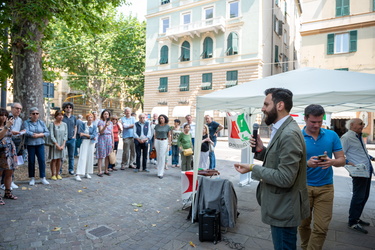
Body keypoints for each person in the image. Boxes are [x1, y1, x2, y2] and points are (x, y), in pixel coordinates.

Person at [234, 88, 309, 250]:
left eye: (266, 104)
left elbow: (285, 178)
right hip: (281, 206)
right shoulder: (282, 128)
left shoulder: (288, 133)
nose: (262, 108)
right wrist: (262, 150)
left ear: (280, 105)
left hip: (284, 208)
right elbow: (278, 161)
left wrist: (253, 168)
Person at [298, 104, 345, 250]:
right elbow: (289, 164)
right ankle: (305, 246)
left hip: (325, 188)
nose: (317, 125)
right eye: (313, 122)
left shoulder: (332, 135)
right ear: (305, 118)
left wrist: (332, 162)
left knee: (321, 228)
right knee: (303, 224)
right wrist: (307, 163)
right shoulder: (297, 137)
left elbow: (342, 160)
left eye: (320, 122)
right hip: (303, 187)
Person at [341, 118, 374, 234]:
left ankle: (357, 217)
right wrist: (347, 162)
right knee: (358, 197)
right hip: (359, 172)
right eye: (360, 124)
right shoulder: (347, 137)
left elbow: (361, 152)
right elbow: (340, 154)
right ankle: (352, 222)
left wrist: (370, 157)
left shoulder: (358, 136)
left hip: (367, 171)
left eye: (363, 124)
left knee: (364, 196)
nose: (363, 126)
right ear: (352, 125)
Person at [23, 107, 50, 185]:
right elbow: (26, 131)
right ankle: (32, 178)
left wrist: (39, 135)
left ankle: (43, 177)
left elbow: (47, 132)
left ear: (39, 114)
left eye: (37, 113)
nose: (35, 115)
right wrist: (32, 134)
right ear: (30, 114)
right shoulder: (26, 122)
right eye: (33, 113)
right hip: (31, 144)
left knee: (42, 160)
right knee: (31, 161)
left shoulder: (41, 123)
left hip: (40, 144)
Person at [1, 102, 24, 190]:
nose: (19, 110)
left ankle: (9, 186)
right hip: (3, 147)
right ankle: (2, 184)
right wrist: (8, 129)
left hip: (13, 146)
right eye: (17, 108)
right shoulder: (7, 120)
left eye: (20, 109)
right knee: (3, 168)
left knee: (11, 167)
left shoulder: (19, 120)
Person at [0, 108, 17, 204]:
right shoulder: (6, 126)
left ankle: (7, 192)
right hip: (1, 153)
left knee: (9, 172)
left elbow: (9, 135)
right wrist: (6, 126)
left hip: (9, 152)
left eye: (5, 115)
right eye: (1, 115)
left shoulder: (8, 126)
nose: (4, 117)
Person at [75, 113, 97, 181]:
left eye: (91, 117)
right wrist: (89, 136)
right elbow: (80, 134)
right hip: (84, 141)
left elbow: (94, 135)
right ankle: (78, 174)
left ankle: (87, 172)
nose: (90, 119)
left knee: (90, 157)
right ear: (87, 118)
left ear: (93, 119)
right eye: (89, 117)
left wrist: (85, 134)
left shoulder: (94, 126)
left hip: (91, 143)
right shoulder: (83, 125)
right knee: (82, 157)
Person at [48, 110, 67, 181]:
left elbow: (66, 134)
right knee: (54, 159)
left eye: (62, 115)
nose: (61, 117)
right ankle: (53, 174)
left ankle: (58, 173)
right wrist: (57, 145)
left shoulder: (64, 124)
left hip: (62, 144)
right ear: (55, 116)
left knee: (59, 159)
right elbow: (51, 135)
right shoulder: (52, 124)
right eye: (59, 115)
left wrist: (63, 145)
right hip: (54, 144)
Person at [96, 109, 114, 177]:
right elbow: (101, 132)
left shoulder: (111, 123)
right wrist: (105, 126)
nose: (106, 115)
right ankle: (99, 171)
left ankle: (106, 170)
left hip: (109, 138)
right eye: (105, 114)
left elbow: (112, 133)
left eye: (107, 114)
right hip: (102, 138)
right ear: (102, 115)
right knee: (101, 155)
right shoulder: (100, 122)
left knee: (107, 155)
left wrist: (112, 142)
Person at [153, 114, 171, 179]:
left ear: (165, 119)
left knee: (162, 156)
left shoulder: (167, 126)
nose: (161, 119)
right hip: (157, 140)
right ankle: (158, 171)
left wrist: (169, 144)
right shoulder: (157, 126)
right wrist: (154, 143)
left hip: (164, 141)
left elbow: (169, 136)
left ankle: (161, 172)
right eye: (160, 118)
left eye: (162, 118)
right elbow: (155, 134)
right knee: (158, 156)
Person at [62, 102, 77, 175]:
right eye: (67, 107)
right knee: (61, 155)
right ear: (64, 108)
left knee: (71, 156)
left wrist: (74, 136)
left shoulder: (74, 117)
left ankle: (71, 170)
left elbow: (75, 126)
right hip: (63, 139)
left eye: (70, 107)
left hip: (71, 139)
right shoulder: (62, 117)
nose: (68, 108)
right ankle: (59, 170)